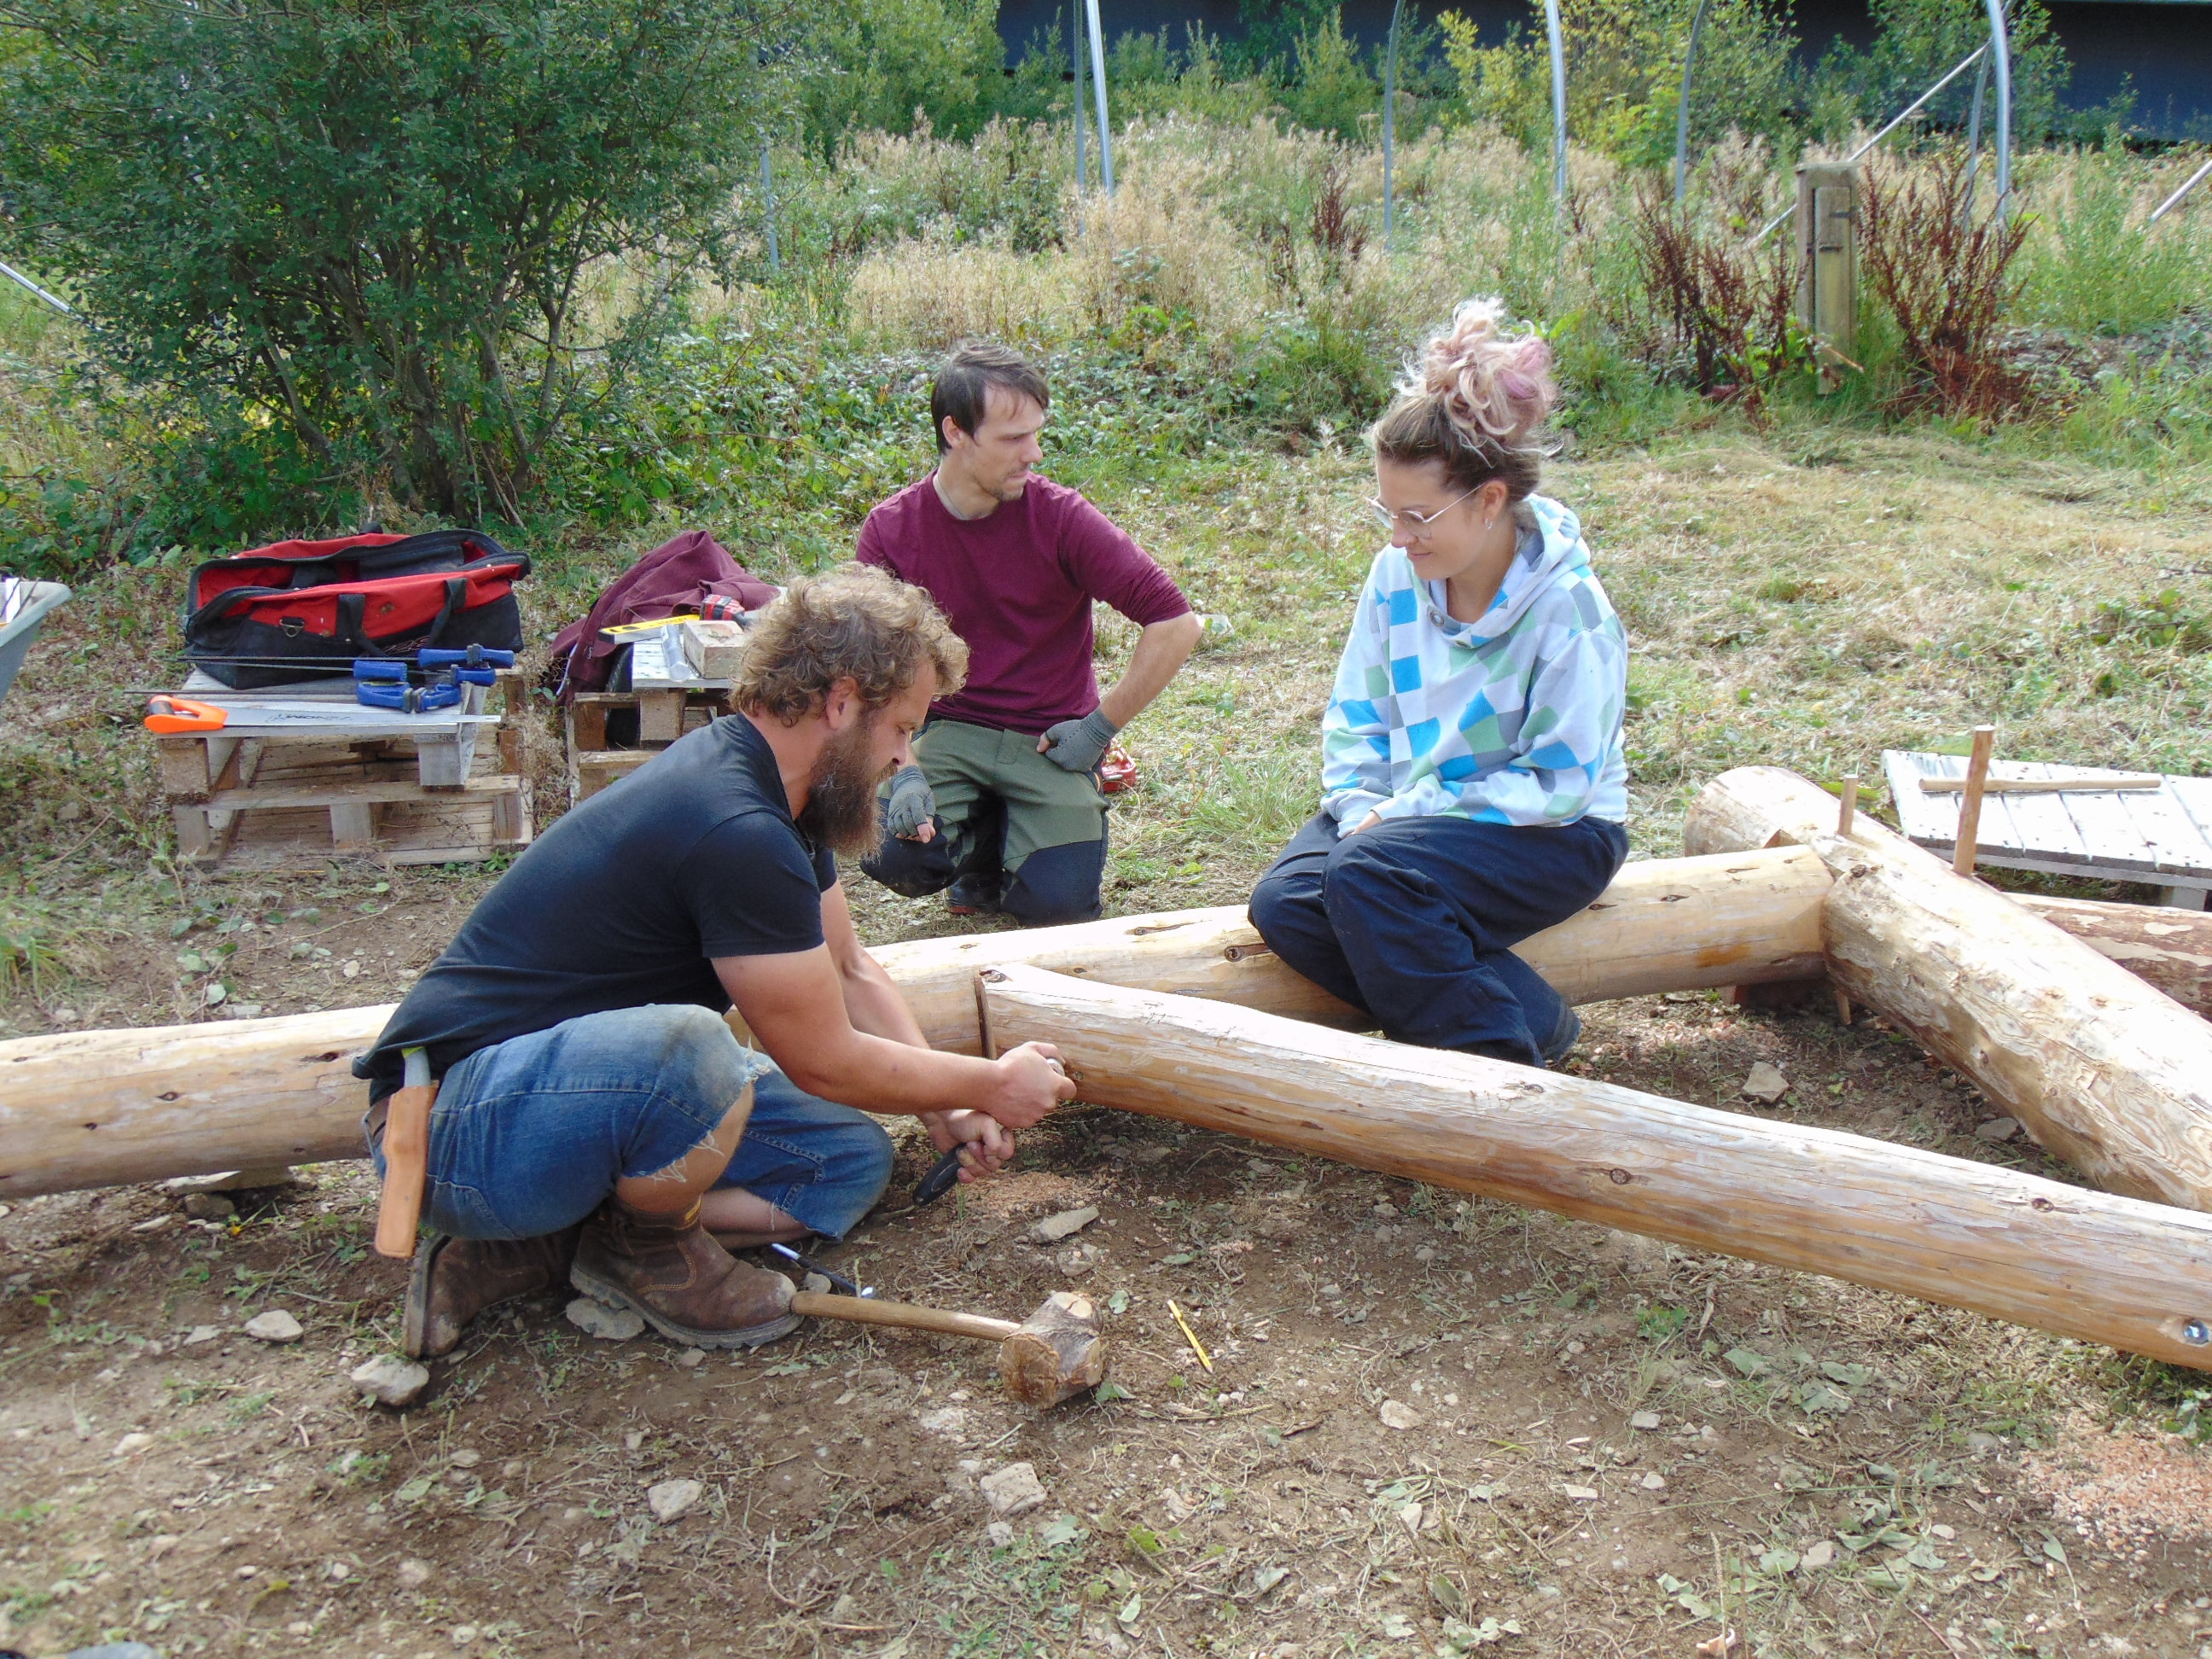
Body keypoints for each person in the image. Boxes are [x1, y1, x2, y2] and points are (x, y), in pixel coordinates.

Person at [354, 565, 1077, 1359]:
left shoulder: (785, 800)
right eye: (901, 728)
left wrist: (944, 1109)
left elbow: (849, 969)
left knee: (845, 1162)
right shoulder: (734, 825)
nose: (905, 759)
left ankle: (576, 1239)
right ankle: (646, 1248)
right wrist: (993, 1084)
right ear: (841, 702)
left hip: (577, 1097)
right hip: (452, 1131)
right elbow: (825, 1062)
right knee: (694, 1048)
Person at [1247, 298, 1630, 1068]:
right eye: (1386, 513)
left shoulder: (1569, 609)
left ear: (1490, 501)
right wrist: (1362, 807)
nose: (1397, 537)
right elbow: (1357, 713)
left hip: (1553, 829)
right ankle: (1529, 1018)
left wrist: (1396, 819)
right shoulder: (1398, 574)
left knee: (1369, 876)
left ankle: (1487, 1069)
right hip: (1404, 817)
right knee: (1285, 903)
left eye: (1417, 517)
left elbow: (1560, 781)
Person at [857, 341, 1202, 926]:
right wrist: (903, 764)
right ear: (956, 433)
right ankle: (980, 854)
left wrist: (1101, 727)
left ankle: (1015, 843)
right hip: (951, 730)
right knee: (892, 854)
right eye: (1014, 439)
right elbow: (869, 666)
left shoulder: (1061, 517)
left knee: (1060, 908)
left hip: (1051, 741)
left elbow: (1176, 623)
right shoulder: (892, 530)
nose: (1033, 454)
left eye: (1037, 434)